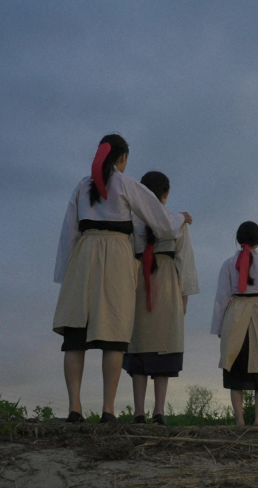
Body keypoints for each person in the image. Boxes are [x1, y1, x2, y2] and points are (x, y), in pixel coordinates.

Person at [52, 134, 179, 424]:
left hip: (83, 256)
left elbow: (68, 234)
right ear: (122, 159)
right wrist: (178, 221)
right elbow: (160, 220)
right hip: (117, 258)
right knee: (114, 336)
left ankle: (75, 408)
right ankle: (108, 410)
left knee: (75, 336)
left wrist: (64, 276)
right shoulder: (125, 183)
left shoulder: (81, 186)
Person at [124, 171, 198, 426]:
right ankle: (159, 412)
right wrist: (185, 296)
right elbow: (184, 261)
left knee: (139, 347)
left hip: (138, 284)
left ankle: (138, 413)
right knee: (163, 347)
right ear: (166, 195)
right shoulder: (177, 223)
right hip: (167, 286)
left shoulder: (132, 223)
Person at [210, 221, 258, 426]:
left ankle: (240, 421)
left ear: (238, 239)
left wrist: (219, 327)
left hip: (236, 314)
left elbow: (221, 297)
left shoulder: (227, 264)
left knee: (236, 368)